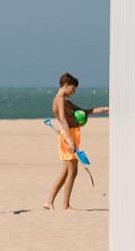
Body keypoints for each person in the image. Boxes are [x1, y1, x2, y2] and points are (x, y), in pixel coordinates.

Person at [43, 72, 109, 211]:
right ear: (66, 85)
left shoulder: (64, 100)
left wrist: (102, 109)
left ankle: (49, 201)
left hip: (72, 136)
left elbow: (83, 111)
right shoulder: (59, 99)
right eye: (73, 88)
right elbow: (62, 119)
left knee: (66, 172)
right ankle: (65, 205)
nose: (74, 91)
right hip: (68, 137)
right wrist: (71, 140)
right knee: (72, 172)